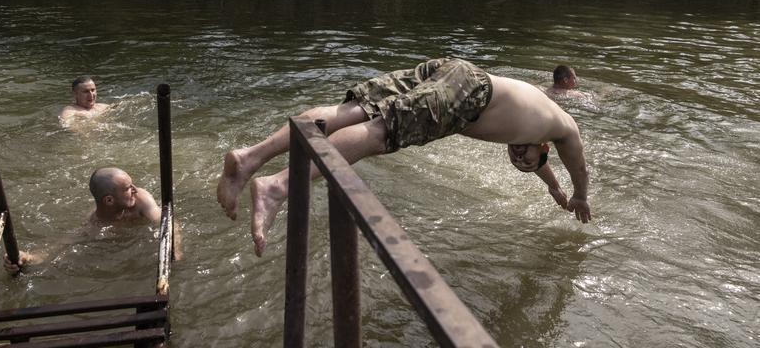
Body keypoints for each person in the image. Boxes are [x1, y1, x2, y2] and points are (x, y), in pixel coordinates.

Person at [217, 58, 592, 257]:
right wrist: (580, 195)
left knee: (351, 111)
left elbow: (541, 166)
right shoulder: (564, 128)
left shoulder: (535, 126)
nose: (518, 158)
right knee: (381, 132)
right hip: (470, 89)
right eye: (521, 157)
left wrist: (555, 188)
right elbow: (578, 163)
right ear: (544, 146)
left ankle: (250, 158)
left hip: (451, 69)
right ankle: (277, 187)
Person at [4, 167, 181, 273]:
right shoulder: (95, 224)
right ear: (109, 200)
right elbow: (61, 247)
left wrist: (174, 249)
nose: (135, 189)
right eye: (128, 188)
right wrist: (26, 258)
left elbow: (169, 222)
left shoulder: (142, 200)